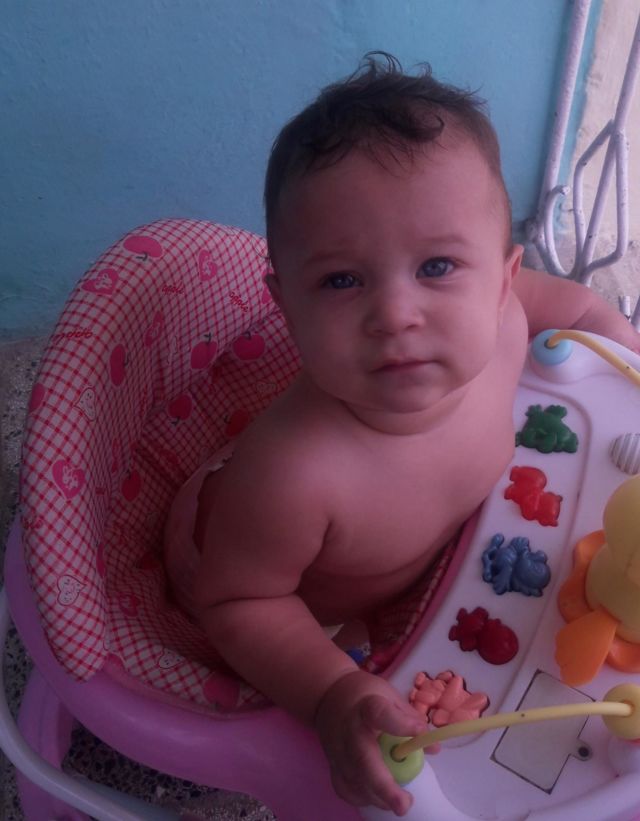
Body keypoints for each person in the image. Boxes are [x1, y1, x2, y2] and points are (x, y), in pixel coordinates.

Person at [164, 53, 640, 816]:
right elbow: (241, 602)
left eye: (438, 265)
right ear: (285, 307)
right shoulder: (293, 473)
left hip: (455, 554)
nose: (395, 314)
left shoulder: (510, 316)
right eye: (342, 280)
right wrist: (331, 692)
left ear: (503, 277)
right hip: (277, 587)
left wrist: (625, 354)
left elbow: (587, 315)